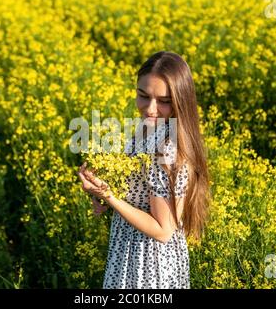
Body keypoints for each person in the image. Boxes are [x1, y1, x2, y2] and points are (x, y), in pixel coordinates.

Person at [78, 51, 211, 289]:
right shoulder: (148, 129)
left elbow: (163, 230)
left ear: (181, 101)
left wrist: (109, 196)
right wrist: (101, 189)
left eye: (164, 101)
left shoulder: (166, 150)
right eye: (143, 96)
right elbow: (140, 196)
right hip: (130, 253)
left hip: (148, 267)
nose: (150, 109)